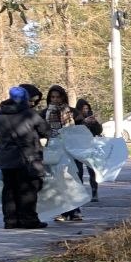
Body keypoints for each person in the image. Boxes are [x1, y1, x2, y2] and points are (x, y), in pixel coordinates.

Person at [0, 85, 49, 229]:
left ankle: (10, 221)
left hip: (6, 159)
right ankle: (29, 220)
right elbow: (46, 131)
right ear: (25, 99)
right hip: (27, 159)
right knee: (28, 189)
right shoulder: (30, 114)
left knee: (9, 190)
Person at [42, 84, 83, 222]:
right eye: (52, 97)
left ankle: (75, 210)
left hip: (70, 149)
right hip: (53, 149)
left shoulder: (72, 112)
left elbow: (83, 129)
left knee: (73, 179)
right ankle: (63, 211)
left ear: (63, 97)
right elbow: (38, 130)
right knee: (58, 180)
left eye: (57, 97)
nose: (55, 99)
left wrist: (90, 123)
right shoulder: (44, 113)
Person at [72, 98, 102, 202]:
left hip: (90, 147)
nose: (85, 111)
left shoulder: (91, 117)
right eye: (83, 109)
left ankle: (94, 192)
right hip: (78, 148)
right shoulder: (75, 118)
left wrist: (95, 123)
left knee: (92, 171)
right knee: (78, 171)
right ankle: (79, 193)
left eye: (87, 108)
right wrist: (84, 122)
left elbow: (98, 131)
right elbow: (74, 130)